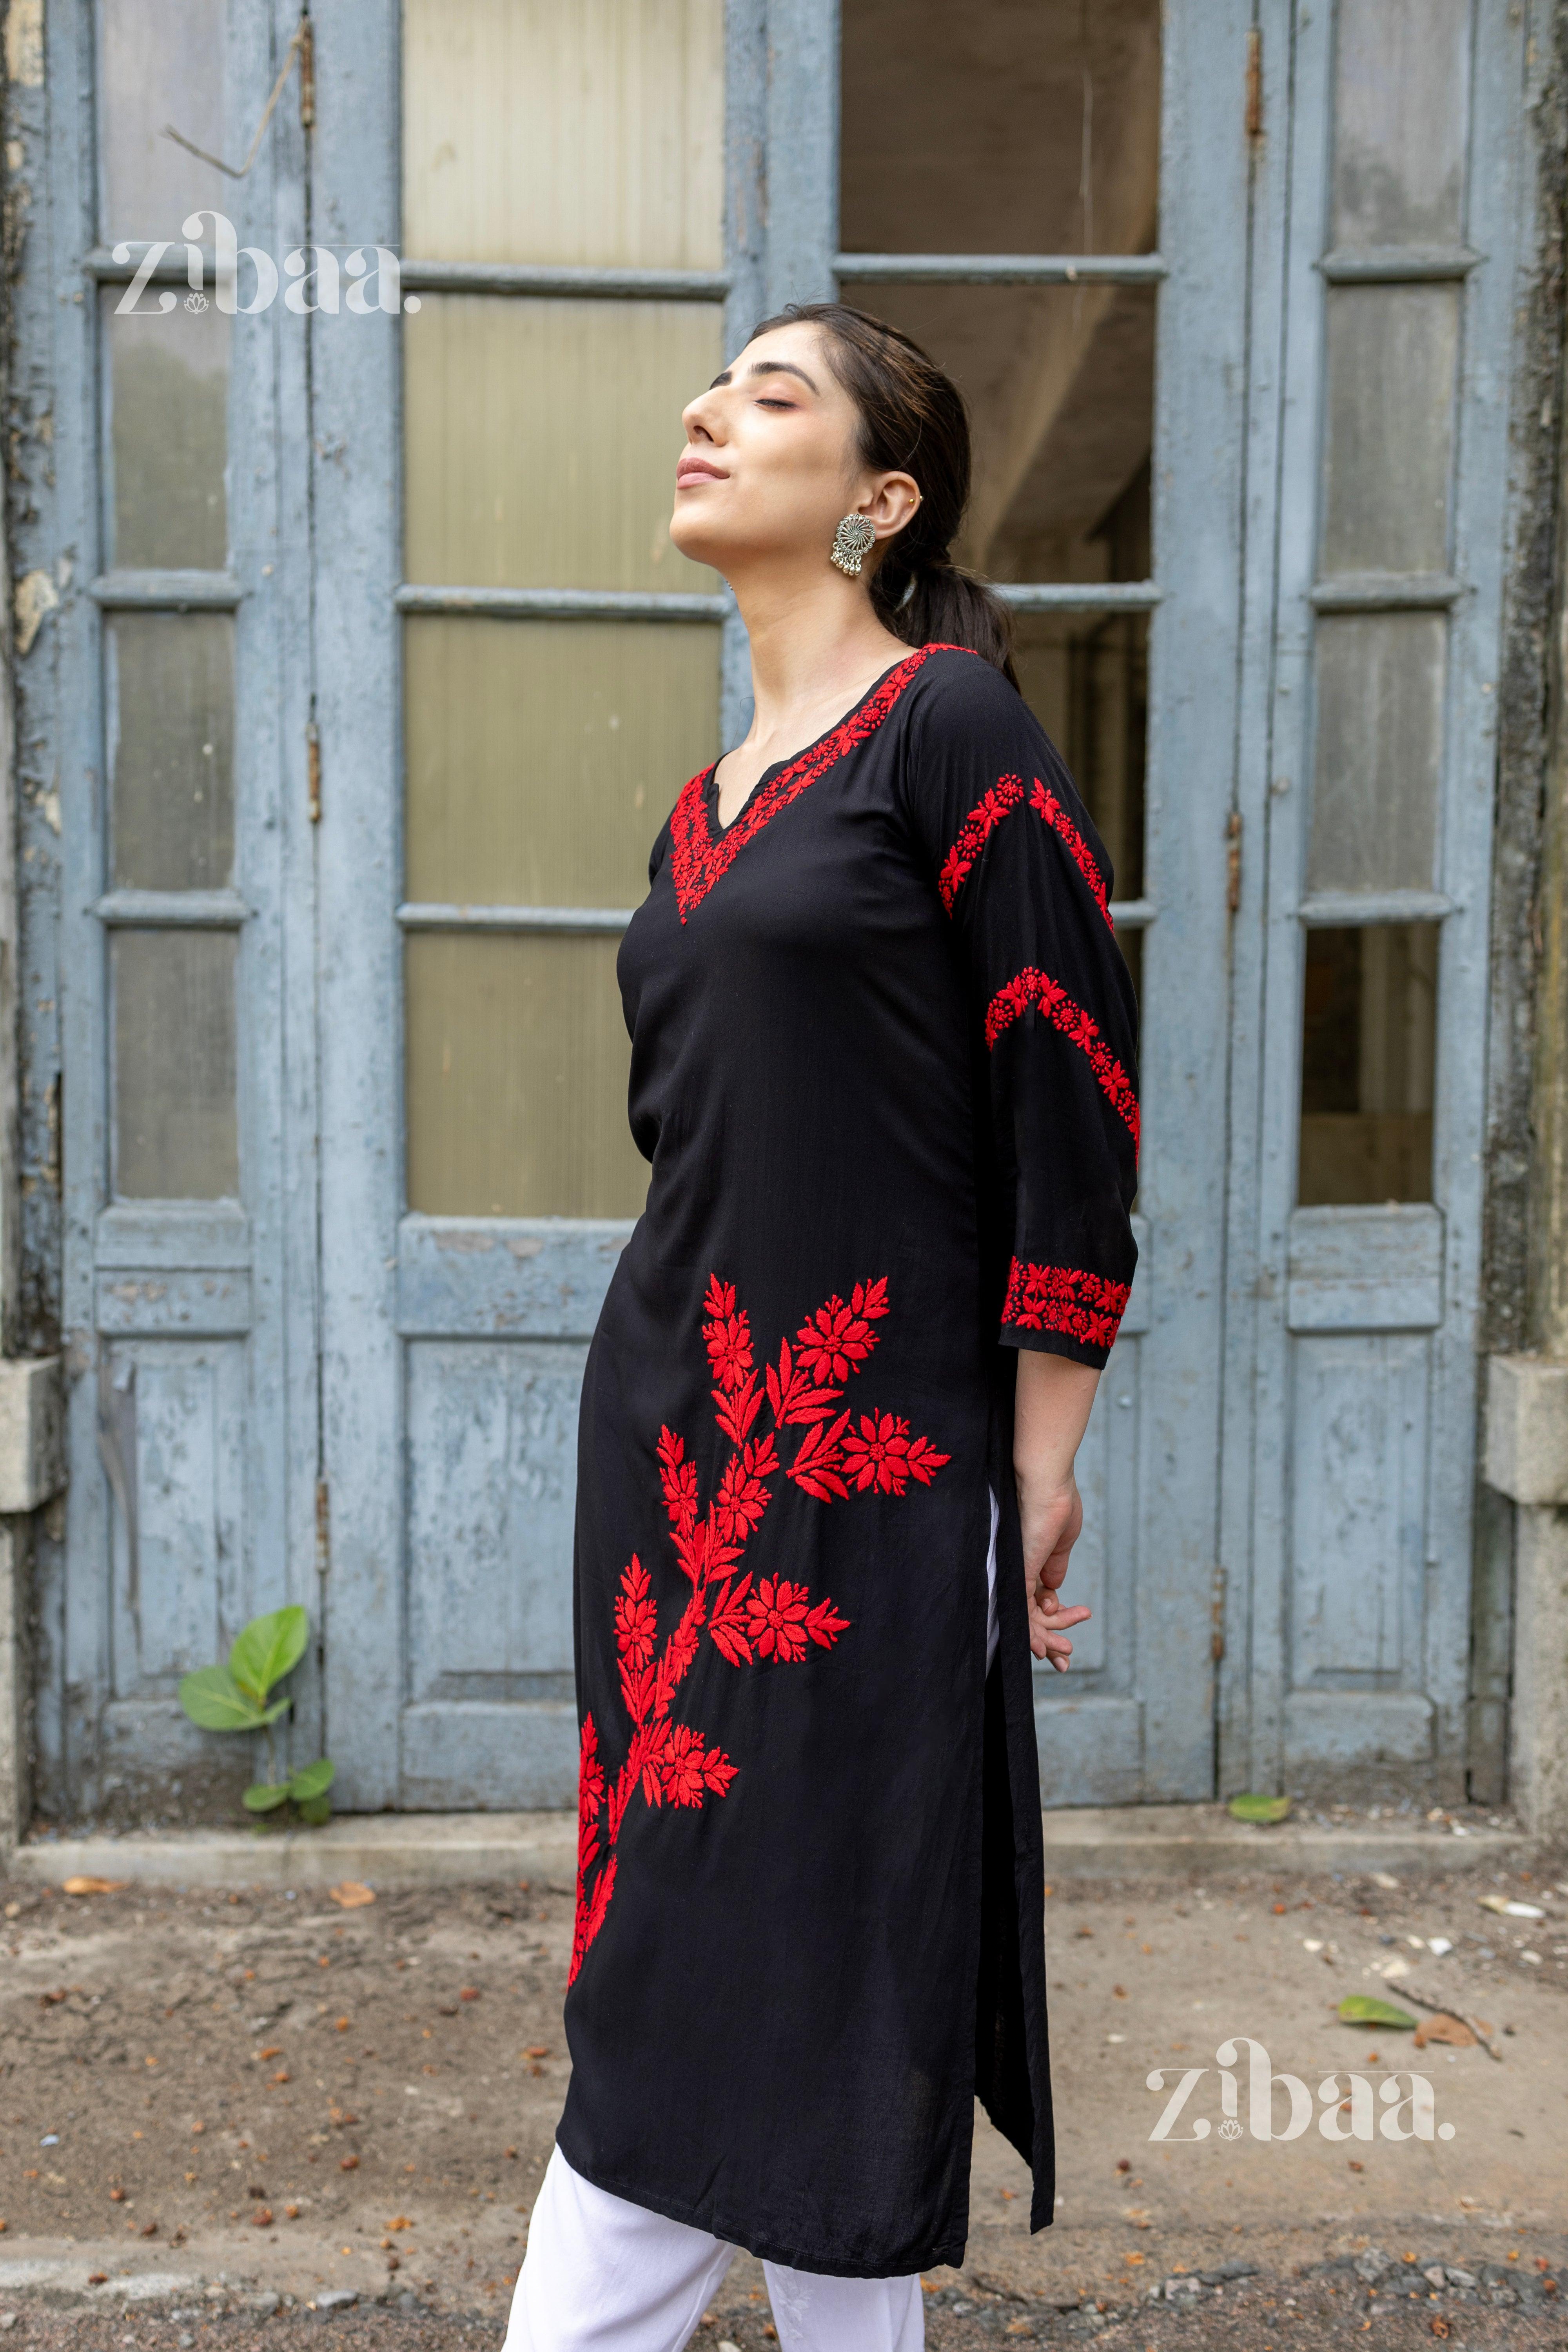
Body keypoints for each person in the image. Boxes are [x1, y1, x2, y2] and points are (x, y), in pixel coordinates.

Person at [504, 302, 1139, 2352]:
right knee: (700, 1959)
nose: (708, 411)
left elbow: (1069, 1083)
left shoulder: (946, 728)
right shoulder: (703, 816)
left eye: (772, 395)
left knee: (813, 1973)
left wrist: (1037, 1464)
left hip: (869, 1489)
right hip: (677, 1475)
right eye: (718, 385)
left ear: (879, 501)